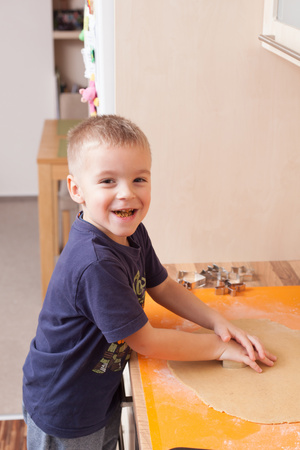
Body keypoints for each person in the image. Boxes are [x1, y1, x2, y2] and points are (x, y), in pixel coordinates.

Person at [23, 115, 277, 449]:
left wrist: (218, 323)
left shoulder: (131, 231)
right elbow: (147, 342)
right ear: (76, 190)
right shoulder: (95, 264)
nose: (126, 194)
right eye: (108, 181)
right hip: (66, 405)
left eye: (139, 179)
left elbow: (163, 286)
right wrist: (218, 347)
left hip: (97, 390)